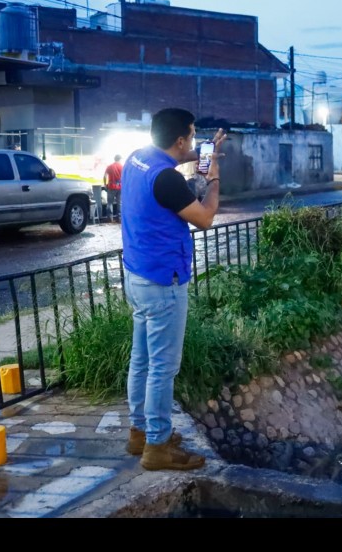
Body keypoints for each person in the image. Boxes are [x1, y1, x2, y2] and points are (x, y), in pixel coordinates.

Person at [120, 108, 226, 471]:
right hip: (164, 282)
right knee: (163, 368)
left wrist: (207, 151)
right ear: (179, 140)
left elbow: (178, 158)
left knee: (141, 360)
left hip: (137, 275)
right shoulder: (167, 180)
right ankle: (158, 445)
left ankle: (139, 432)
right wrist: (213, 176)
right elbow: (205, 217)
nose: (193, 142)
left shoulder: (137, 158)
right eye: (192, 136)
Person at [103, 154, 123, 220]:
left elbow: (105, 176)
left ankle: (110, 218)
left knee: (110, 203)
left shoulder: (109, 166)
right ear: (119, 159)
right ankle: (119, 218)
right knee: (119, 203)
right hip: (120, 187)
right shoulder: (122, 167)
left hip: (111, 187)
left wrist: (105, 184)